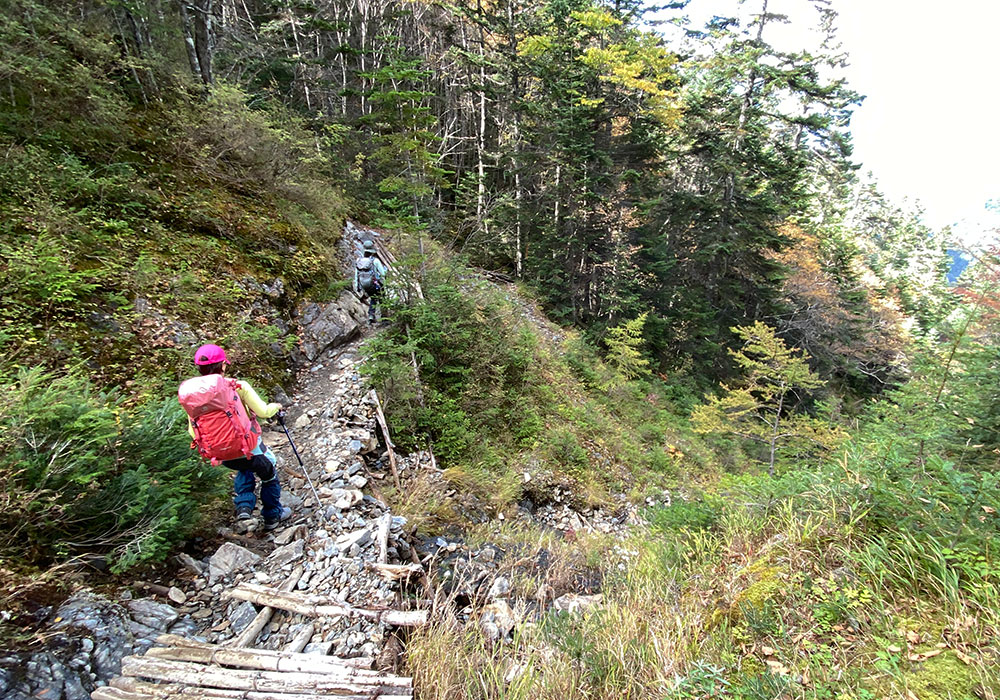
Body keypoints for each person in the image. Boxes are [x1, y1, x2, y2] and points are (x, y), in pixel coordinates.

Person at [179, 344, 292, 529]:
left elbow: (193, 431)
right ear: (223, 365)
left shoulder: (192, 396)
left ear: (199, 368)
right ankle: (273, 515)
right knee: (269, 473)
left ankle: (244, 509)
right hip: (249, 447)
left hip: (222, 454)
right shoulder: (237, 386)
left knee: (243, 468)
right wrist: (277, 407)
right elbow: (263, 412)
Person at [353, 239, 388, 324]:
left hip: (365, 286)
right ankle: (385, 319)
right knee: (382, 299)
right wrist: (385, 271)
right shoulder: (375, 261)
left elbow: (356, 275)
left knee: (373, 298)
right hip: (376, 285)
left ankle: (371, 316)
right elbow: (382, 273)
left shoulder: (359, 261)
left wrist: (358, 287)